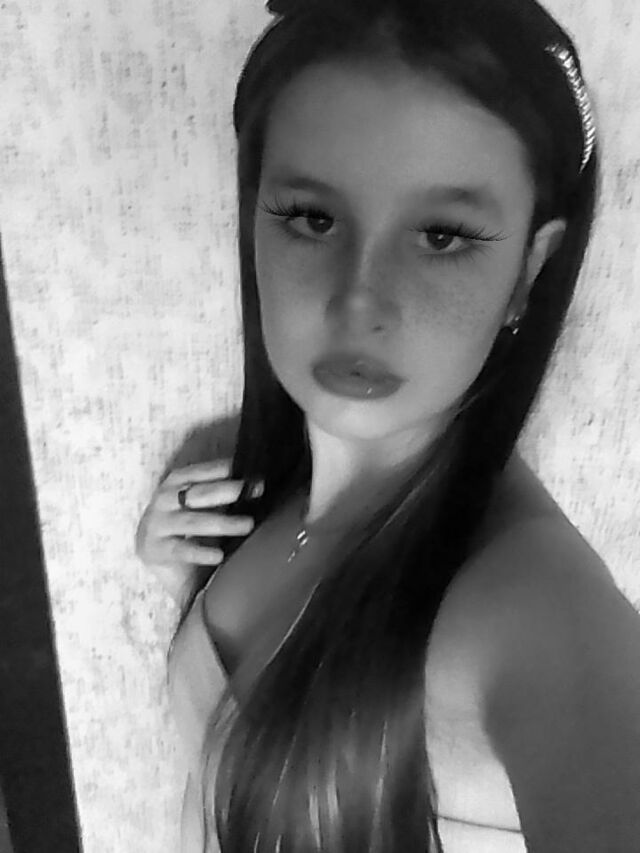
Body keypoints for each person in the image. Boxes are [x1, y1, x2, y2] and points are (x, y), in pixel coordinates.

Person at [136, 1, 640, 850]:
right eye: (312, 217)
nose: (359, 302)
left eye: (441, 235)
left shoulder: (532, 610)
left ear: (530, 268)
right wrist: (180, 574)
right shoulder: (269, 492)